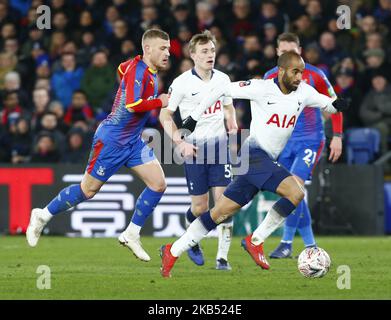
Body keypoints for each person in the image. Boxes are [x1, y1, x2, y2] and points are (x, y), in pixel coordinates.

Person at [160, 51, 348, 278]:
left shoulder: (304, 92)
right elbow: (221, 89)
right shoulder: (261, 88)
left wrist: (338, 104)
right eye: (294, 71)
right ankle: (255, 241)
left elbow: (327, 105)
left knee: (218, 213)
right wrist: (194, 117)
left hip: (262, 161)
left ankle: (172, 251)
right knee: (296, 193)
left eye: (301, 71)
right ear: (281, 71)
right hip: (254, 156)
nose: (299, 76)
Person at [26, 29, 171, 262]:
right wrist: (159, 101)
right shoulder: (138, 70)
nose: (168, 53)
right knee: (88, 191)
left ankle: (131, 233)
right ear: (148, 49)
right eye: (162, 48)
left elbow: (120, 69)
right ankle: (42, 215)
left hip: (132, 140)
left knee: (159, 184)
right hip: (112, 140)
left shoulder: (136, 67)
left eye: (168, 48)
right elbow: (133, 104)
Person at [159, 30, 238, 270]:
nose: (210, 55)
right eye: (204, 51)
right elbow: (165, 115)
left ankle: (222, 258)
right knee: (200, 208)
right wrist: (180, 142)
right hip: (194, 149)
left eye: (212, 50)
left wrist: (231, 120)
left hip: (219, 146)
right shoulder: (182, 83)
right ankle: (193, 237)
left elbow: (228, 105)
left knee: (225, 205)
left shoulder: (223, 79)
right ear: (192, 55)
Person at [264, 32, 344, 259]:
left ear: (300, 51)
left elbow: (334, 103)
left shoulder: (316, 75)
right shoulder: (269, 77)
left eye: (293, 52)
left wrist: (337, 135)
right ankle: (303, 246)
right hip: (282, 142)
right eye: (284, 52)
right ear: (278, 53)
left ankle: (293, 244)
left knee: (296, 187)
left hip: (310, 139)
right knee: (293, 192)